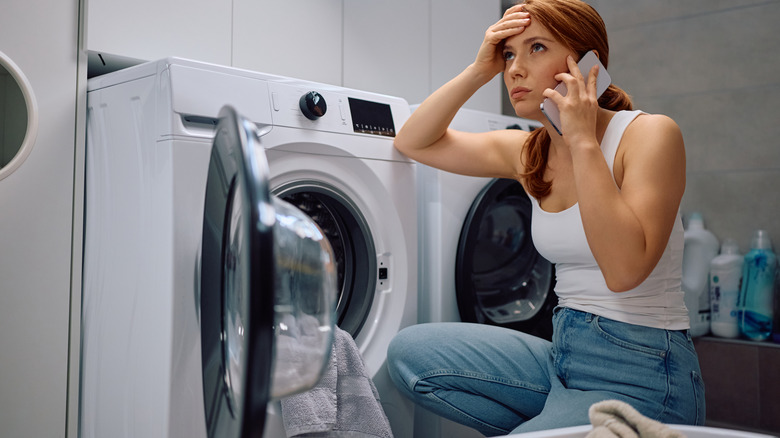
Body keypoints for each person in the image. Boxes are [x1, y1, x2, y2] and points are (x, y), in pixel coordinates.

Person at [386, 0, 705, 435]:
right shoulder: (529, 152)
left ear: (589, 62)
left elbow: (625, 270)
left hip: (644, 371)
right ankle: (552, 426)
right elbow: (413, 141)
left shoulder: (648, 135)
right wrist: (481, 68)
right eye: (509, 54)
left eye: (536, 48)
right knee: (410, 353)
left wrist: (582, 141)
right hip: (563, 356)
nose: (514, 69)